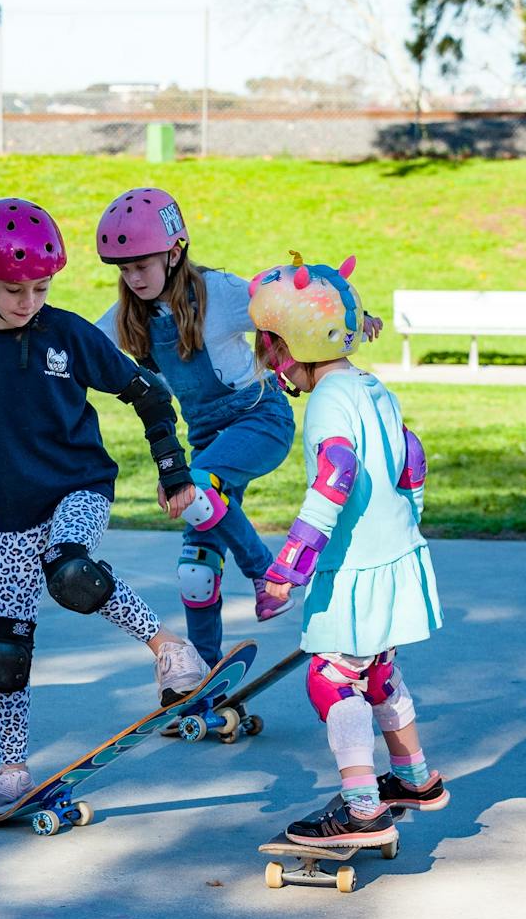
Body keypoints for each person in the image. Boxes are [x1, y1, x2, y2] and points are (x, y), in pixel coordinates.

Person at [0, 197, 222, 819]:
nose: (29, 301)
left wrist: (173, 466)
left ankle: (169, 649)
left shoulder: (67, 333)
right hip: (11, 512)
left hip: (79, 486)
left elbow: (147, 393)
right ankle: (11, 767)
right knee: (5, 646)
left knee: (70, 569)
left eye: (41, 286)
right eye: (14, 289)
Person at [94, 187, 383, 674]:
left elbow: (295, 291)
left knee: (197, 484)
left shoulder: (217, 293)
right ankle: (206, 676)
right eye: (124, 269)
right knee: (194, 573)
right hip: (207, 441)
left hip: (260, 419)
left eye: (142, 265)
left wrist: (353, 317)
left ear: (174, 251)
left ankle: (263, 572)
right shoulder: (127, 318)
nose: (133, 277)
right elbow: (77, 345)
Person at [247, 251, 447, 847]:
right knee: (377, 670)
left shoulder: (329, 401)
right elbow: (412, 460)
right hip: (396, 559)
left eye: (271, 347)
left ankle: (362, 810)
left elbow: (334, 474)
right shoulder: (371, 386)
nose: (272, 363)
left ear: (290, 347)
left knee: (332, 680)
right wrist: (404, 529)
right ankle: (412, 779)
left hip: (355, 569)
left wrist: (289, 565)